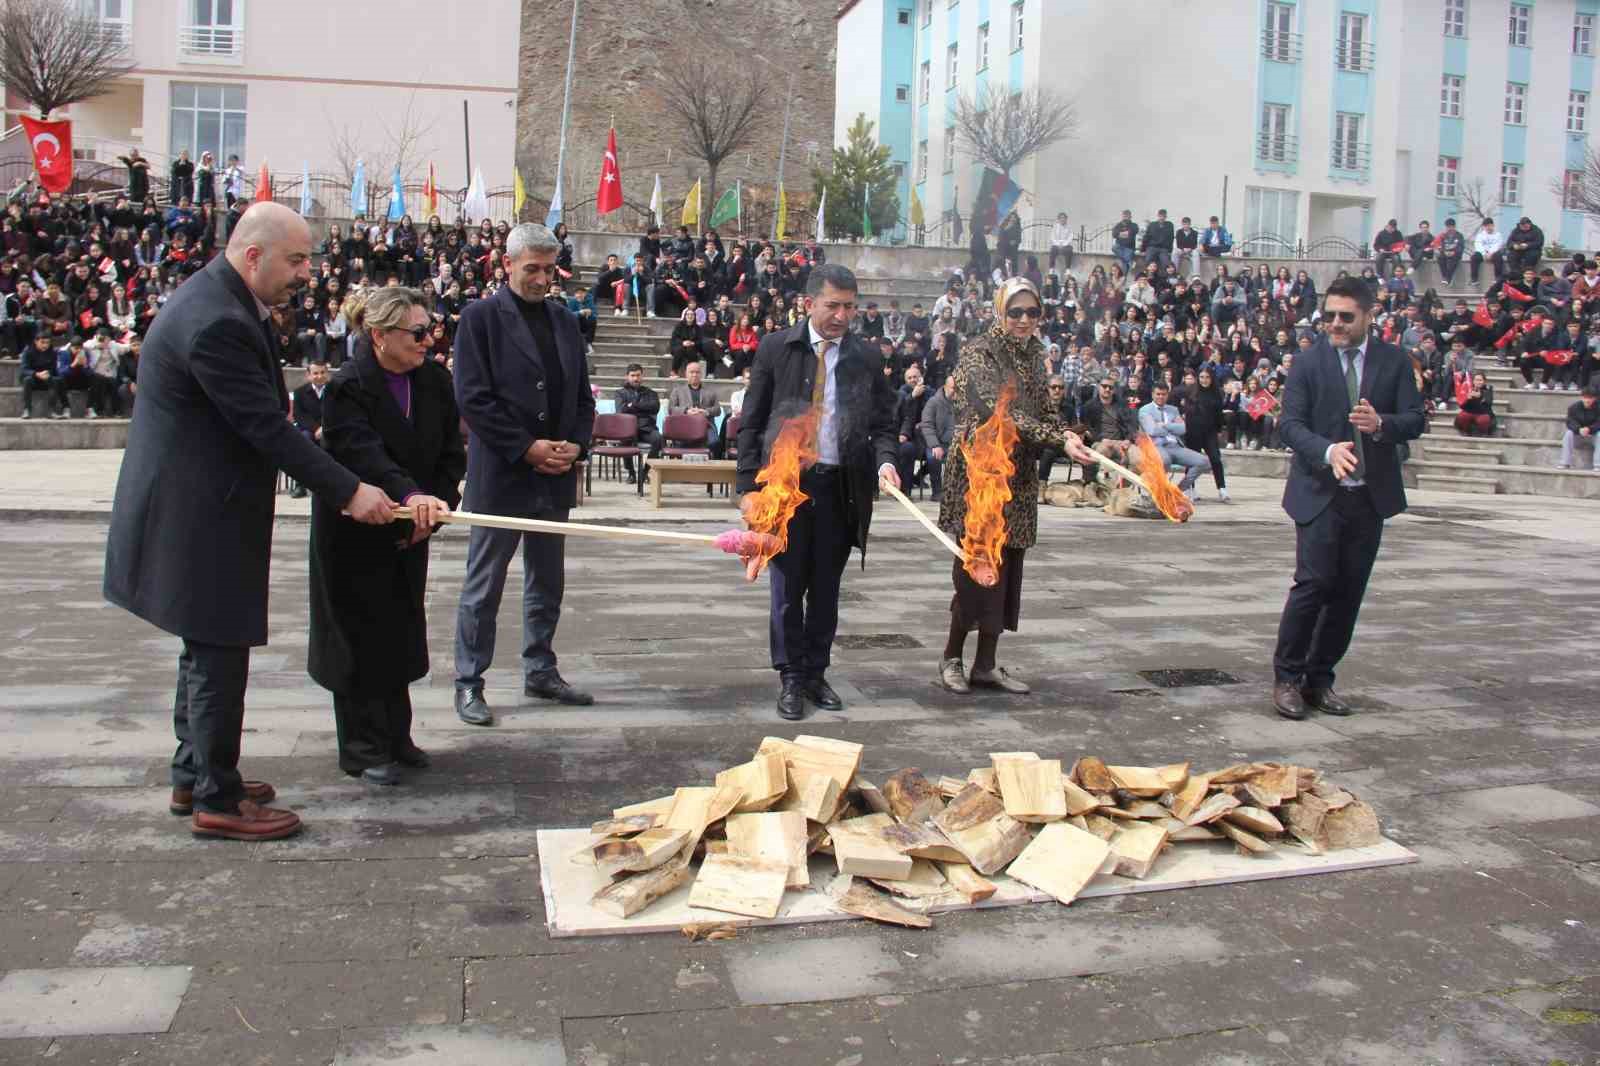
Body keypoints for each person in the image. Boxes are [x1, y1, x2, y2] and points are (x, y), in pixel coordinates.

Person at [104, 202, 399, 841]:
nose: (306, 273)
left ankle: (197, 770)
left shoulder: (224, 301)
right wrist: (349, 491)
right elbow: (265, 426)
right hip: (199, 514)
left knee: (204, 646)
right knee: (217, 649)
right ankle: (217, 796)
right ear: (254, 254)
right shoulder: (216, 322)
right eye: (296, 260)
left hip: (200, 504)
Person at [307, 287, 462, 785]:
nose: (427, 340)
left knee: (400, 629)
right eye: (417, 333)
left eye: (430, 329)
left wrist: (435, 507)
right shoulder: (348, 386)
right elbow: (362, 451)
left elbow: (450, 455)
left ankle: (398, 736)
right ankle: (362, 746)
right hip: (356, 532)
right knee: (358, 637)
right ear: (380, 336)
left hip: (410, 529)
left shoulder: (435, 381)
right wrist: (409, 496)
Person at [735, 264, 900, 721]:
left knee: (826, 588)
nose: (842, 316)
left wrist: (886, 462)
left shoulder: (864, 358)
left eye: (849, 306)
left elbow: (884, 422)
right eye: (833, 305)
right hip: (787, 486)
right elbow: (753, 420)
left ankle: (816, 671)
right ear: (809, 303)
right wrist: (747, 487)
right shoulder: (776, 348)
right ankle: (790, 675)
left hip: (840, 487)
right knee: (787, 586)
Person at [452, 223, 595, 726]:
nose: (540, 278)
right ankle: (469, 682)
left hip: (555, 473)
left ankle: (541, 669)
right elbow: (472, 397)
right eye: (530, 268)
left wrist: (576, 445)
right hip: (504, 473)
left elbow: (582, 397)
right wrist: (526, 448)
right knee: (484, 585)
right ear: (507, 265)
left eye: (547, 268)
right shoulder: (479, 318)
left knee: (547, 581)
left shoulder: (565, 320)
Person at [1271, 276, 1425, 722]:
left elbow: (1415, 419)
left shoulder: (1394, 362)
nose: (1336, 325)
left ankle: (1320, 679)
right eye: (1330, 316)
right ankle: (1287, 678)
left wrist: (1382, 425)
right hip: (1319, 493)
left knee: (1348, 592)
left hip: (1368, 497)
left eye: (1346, 317)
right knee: (1313, 584)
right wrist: (1326, 450)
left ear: (1368, 315)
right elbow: (1290, 425)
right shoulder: (1307, 362)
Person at [936, 277, 1098, 695]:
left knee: (1008, 572)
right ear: (999, 311)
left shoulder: (1036, 355)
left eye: (1032, 312)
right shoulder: (978, 353)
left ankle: (986, 664)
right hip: (981, 474)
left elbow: (1046, 411)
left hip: (1018, 476)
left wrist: (1068, 435)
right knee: (976, 569)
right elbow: (998, 415)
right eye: (1016, 312)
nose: (1024, 320)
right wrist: (1055, 437)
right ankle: (952, 657)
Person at [1139, 381, 1210, 500]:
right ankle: (1159, 492)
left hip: (1175, 446)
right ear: (1152, 395)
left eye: (1163, 394)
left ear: (1168, 395)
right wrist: (1172, 426)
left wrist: (1164, 425)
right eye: (1158, 394)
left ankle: (1177, 491)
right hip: (1156, 446)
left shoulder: (1173, 410)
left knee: (1203, 461)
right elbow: (1152, 430)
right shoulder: (1145, 410)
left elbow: (1183, 429)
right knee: (1165, 460)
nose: (1161, 397)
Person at [1184, 366, 1230, 502]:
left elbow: (1219, 414)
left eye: (1207, 377)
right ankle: (1189, 488)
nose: (1204, 380)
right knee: (1192, 462)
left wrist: (1220, 429)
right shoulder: (1191, 392)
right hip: (1193, 432)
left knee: (1215, 459)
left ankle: (1222, 488)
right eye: (1202, 377)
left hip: (1210, 432)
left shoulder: (1217, 393)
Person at [614, 363, 662, 483]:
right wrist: (643, 408)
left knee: (658, 439)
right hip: (629, 429)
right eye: (633, 375)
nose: (636, 378)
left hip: (647, 428)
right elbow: (621, 410)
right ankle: (631, 473)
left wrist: (633, 406)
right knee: (625, 439)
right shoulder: (620, 393)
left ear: (642, 376)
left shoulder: (650, 393)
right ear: (627, 377)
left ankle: (645, 472)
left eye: (638, 375)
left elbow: (655, 407)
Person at [918, 373, 956, 502]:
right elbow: (927, 425)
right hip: (937, 443)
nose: (956, 392)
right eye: (953, 388)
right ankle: (937, 491)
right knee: (933, 457)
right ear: (945, 387)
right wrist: (935, 445)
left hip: (956, 443)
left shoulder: (963, 402)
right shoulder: (933, 402)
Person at [1559, 387, 1600, 470]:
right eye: (1585, 398)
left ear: (1595, 398)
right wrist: (1579, 429)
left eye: (1590, 398)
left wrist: (1589, 429)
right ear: (1582, 397)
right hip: (1578, 435)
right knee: (1568, 434)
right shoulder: (1573, 408)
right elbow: (1570, 422)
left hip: (1593, 436)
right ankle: (1565, 463)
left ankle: (1598, 464)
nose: (1587, 400)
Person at [1455, 371, 1496, 437]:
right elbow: (1462, 406)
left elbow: (1489, 402)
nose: (1478, 382)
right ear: (1473, 381)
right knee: (1462, 416)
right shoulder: (1468, 388)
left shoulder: (1488, 389)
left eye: (1480, 380)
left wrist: (1481, 396)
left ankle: (1483, 433)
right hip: (1470, 412)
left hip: (1482, 413)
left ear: (1484, 381)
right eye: (1476, 380)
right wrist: (1467, 399)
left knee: (1484, 419)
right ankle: (1466, 431)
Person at [1472, 218, 1505, 284]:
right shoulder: (1480, 235)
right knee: (1474, 257)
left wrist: (1491, 253)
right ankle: (1474, 279)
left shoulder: (1498, 235)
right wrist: (1484, 253)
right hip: (1483, 254)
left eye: (1490, 225)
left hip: (1494, 254)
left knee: (1498, 256)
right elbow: (1478, 245)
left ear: (1493, 225)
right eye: (1486, 226)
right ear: (1484, 227)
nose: (1488, 228)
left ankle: (1498, 277)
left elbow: (1498, 245)